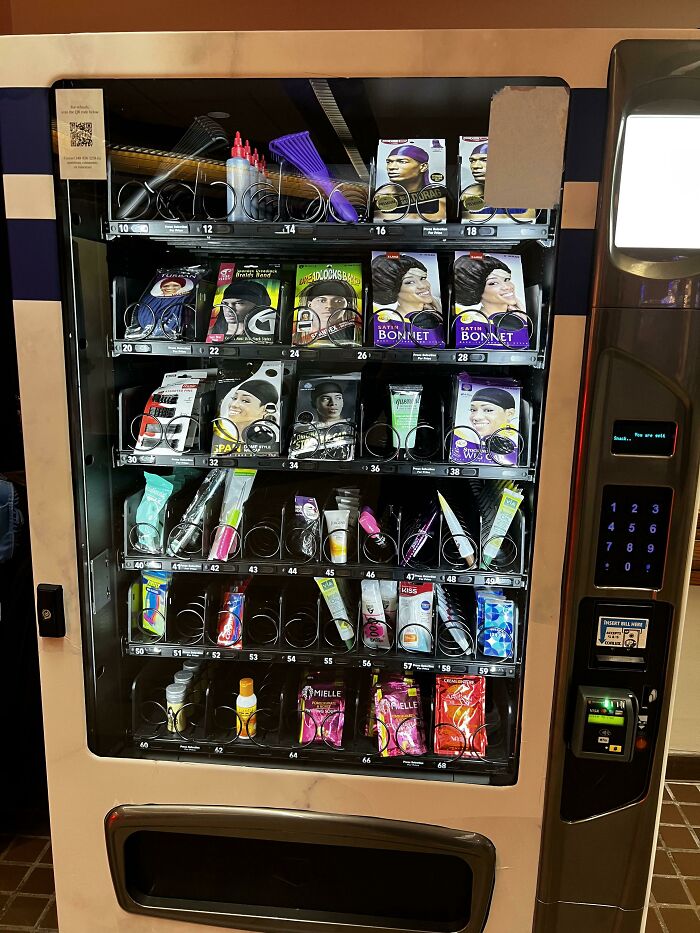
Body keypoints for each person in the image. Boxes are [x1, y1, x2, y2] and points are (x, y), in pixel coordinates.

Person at [461, 140, 536, 223]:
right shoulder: (467, 194)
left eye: (484, 160)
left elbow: (529, 220)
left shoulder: (524, 194)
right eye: (472, 161)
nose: (475, 166)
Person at [371, 254, 442, 333]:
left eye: (423, 278)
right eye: (410, 282)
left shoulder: (436, 316)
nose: (423, 286)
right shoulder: (390, 322)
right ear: (392, 289)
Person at [376, 144, 446, 223]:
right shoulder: (379, 197)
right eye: (389, 162)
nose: (391, 167)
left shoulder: (441, 202)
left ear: (423, 167)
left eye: (402, 162)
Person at [454, 254, 526, 329]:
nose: (507, 287)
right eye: (493, 283)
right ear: (475, 291)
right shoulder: (473, 323)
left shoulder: (519, 317)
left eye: (507, 279)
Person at [216, 379, 279, 452]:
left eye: (245, 401)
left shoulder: (267, 442)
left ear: (264, 410)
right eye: (234, 398)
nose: (234, 405)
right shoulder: (222, 438)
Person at [294, 279, 359, 346]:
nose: (329, 306)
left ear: (347, 305)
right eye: (322, 300)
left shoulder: (357, 335)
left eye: (338, 301)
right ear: (309, 304)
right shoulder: (295, 337)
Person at [208, 279, 275, 341]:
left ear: (258, 306)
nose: (229, 309)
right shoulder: (211, 332)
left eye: (238, 303)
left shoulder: (273, 332)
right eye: (225, 303)